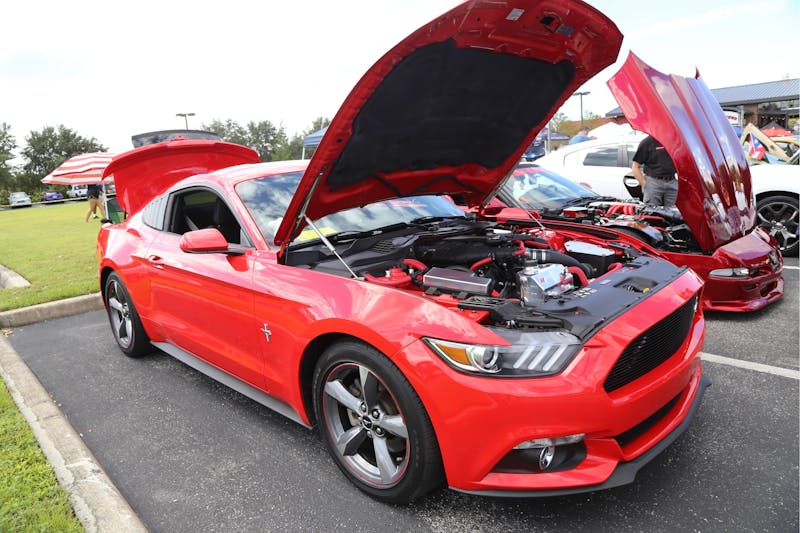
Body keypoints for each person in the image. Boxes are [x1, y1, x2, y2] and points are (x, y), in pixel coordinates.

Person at [631, 135, 678, 208]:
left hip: (672, 182)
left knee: (673, 213)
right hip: (653, 183)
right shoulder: (647, 142)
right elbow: (635, 166)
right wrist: (645, 184)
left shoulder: (673, 141)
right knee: (652, 212)